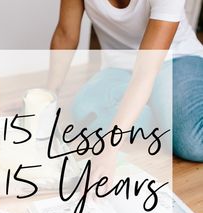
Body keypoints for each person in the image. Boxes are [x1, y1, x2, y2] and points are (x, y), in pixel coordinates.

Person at [49, 0, 203, 174]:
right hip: (120, 68)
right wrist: (47, 98)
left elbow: (145, 71)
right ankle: (161, 113)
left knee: (193, 143)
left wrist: (109, 149)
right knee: (85, 111)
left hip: (175, 59)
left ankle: (162, 114)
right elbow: (65, 35)